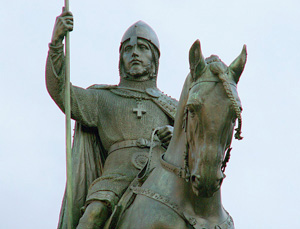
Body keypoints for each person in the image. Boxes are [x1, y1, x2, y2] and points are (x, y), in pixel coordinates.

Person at [46, 11, 178, 228]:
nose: (134, 53)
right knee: (90, 219)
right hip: (114, 180)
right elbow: (61, 91)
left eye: (142, 48)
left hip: (160, 178)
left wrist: (175, 135)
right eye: (128, 49)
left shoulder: (172, 106)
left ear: (154, 58)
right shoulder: (103, 97)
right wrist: (57, 43)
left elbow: (196, 144)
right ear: (121, 59)